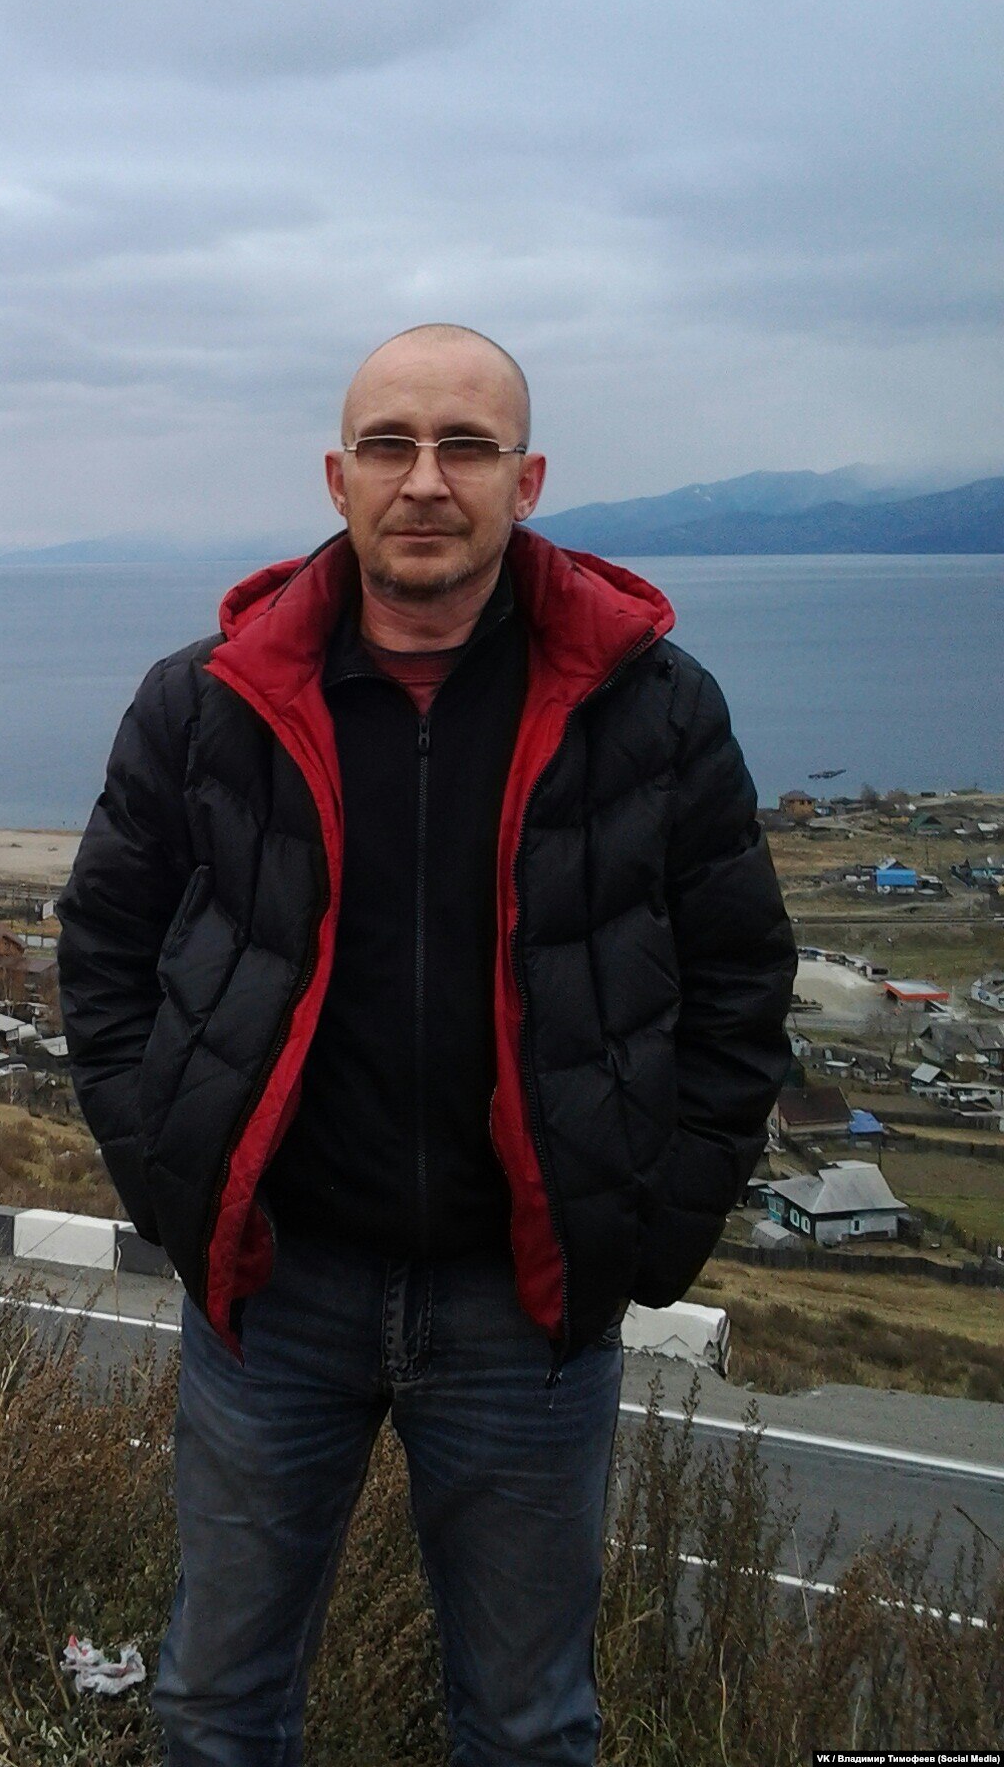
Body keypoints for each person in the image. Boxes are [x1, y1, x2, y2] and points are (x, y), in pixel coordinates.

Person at [57, 324, 794, 1766]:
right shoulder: (207, 700)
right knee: (215, 1701)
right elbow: (105, 954)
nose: (426, 481)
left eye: (466, 447)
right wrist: (176, 1181)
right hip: (276, 1290)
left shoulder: (652, 706)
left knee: (526, 1723)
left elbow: (737, 982)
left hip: (526, 1303)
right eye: (390, 446)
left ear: (528, 479)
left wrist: (651, 1229)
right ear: (337, 478)